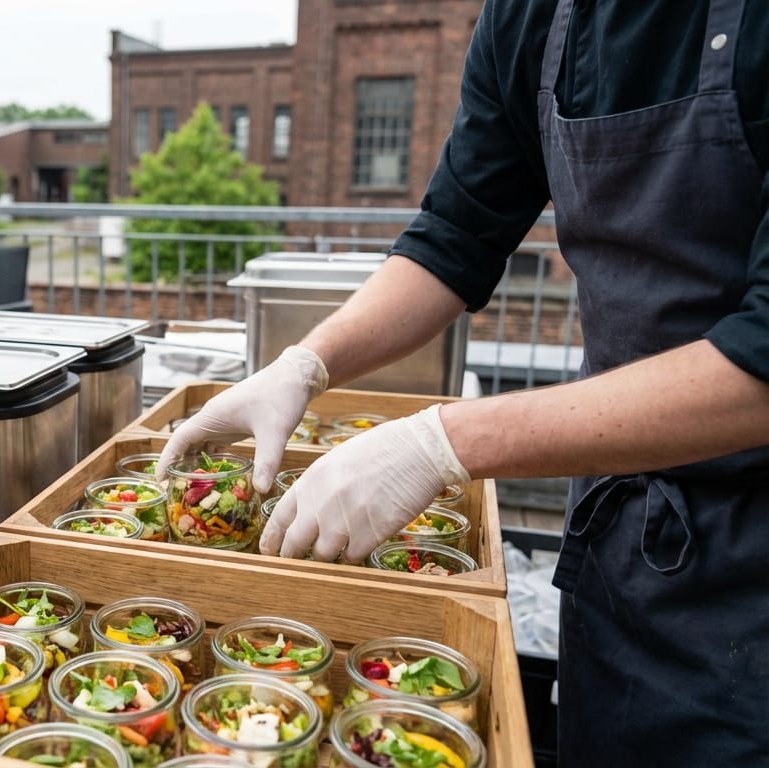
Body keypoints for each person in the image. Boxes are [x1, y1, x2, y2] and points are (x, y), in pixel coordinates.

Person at [158, 0, 769, 762]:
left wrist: (441, 442)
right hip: (626, 524)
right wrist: (305, 364)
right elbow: (455, 234)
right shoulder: (532, 17)